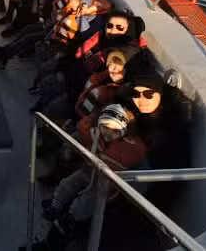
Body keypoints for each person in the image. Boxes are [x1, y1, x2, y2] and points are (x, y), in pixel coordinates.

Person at [40, 103, 146, 247]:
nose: (108, 132)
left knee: (87, 200)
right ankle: (55, 205)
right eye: (105, 127)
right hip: (88, 170)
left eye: (115, 130)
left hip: (105, 184)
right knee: (68, 183)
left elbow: (136, 169)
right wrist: (68, 150)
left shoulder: (130, 149)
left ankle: (70, 219)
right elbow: (78, 138)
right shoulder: (92, 132)